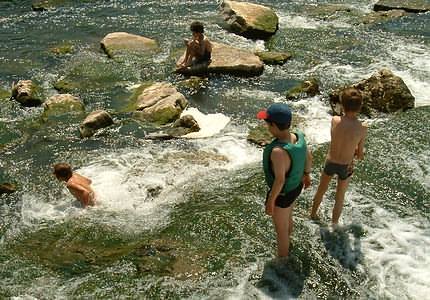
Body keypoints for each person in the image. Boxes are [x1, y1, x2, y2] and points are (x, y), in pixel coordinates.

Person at [257, 103, 312, 258]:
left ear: (274, 125)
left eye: (267, 124)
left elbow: (280, 180)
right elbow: (308, 157)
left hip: (282, 195)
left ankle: (282, 264)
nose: (267, 127)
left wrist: (271, 201)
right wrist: (307, 175)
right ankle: (289, 240)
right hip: (296, 187)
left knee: (280, 232)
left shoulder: (277, 152)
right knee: (288, 217)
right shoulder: (297, 136)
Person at [310, 87, 367, 225]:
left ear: (342, 104)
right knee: (339, 196)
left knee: (321, 190)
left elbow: (335, 137)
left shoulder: (335, 120)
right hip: (346, 166)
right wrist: (355, 150)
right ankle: (334, 223)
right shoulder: (362, 127)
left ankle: (312, 214)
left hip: (331, 162)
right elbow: (360, 155)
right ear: (360, 107)